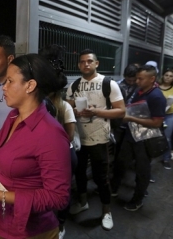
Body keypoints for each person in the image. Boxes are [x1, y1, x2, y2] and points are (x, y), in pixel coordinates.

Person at [0, 53, 71, 238]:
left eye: (10, 81)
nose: (3, 87)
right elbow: (4, 154)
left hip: (28, 230)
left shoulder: (50, 134)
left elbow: (58, 197)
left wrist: (0, 196)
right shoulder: (13, 116)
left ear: (30, 86)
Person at [66, 49, 125, 231]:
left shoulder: (108, 84)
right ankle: (83, 201)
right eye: (83, 62)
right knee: (80, 172)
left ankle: (106, 211)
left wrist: (96, 111)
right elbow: (68, 106)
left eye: (90, 61)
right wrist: (75, 111)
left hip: (100, 138)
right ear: (79, 65)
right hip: (79, 138)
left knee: (101, 177)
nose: (86, 64)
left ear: (96, 63)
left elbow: (121, 111)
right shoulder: (74, 85)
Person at [111, 65, 166, 211]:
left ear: (152, 79)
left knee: (142, 170)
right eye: (137, 78)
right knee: (121, 162)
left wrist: (131, 118)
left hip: (145, 139)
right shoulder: (139, 91)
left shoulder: (156, 96)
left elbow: (157, 122)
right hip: (131, 135)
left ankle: (137, 200)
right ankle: (114, 188)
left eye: (141, 78)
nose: (137, 81)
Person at [43, 45, 77, 239]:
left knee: (62, 193)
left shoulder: (64, 107)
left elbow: (69, 137)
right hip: (50, 156)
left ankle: (61, 224)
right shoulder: (38, 104)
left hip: (63, 155)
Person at [113, 64, 139, 160]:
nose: (132, 83)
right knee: (118, 145)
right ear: (124, 76)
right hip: (120, 122)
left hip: (134, 122)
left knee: (131, 146)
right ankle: (117, 165)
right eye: (129, 80)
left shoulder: (139, 86)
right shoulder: (116, 85)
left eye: (134, 80)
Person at [158, 69, 173, 168]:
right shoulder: (156, 87)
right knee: (155, 137)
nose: (168, 77)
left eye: (171, 76)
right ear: (163, 76)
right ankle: (152, 156)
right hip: (157, 114)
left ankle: (166, 158)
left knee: (167, 138)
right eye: (166, 75)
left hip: (170, 115)